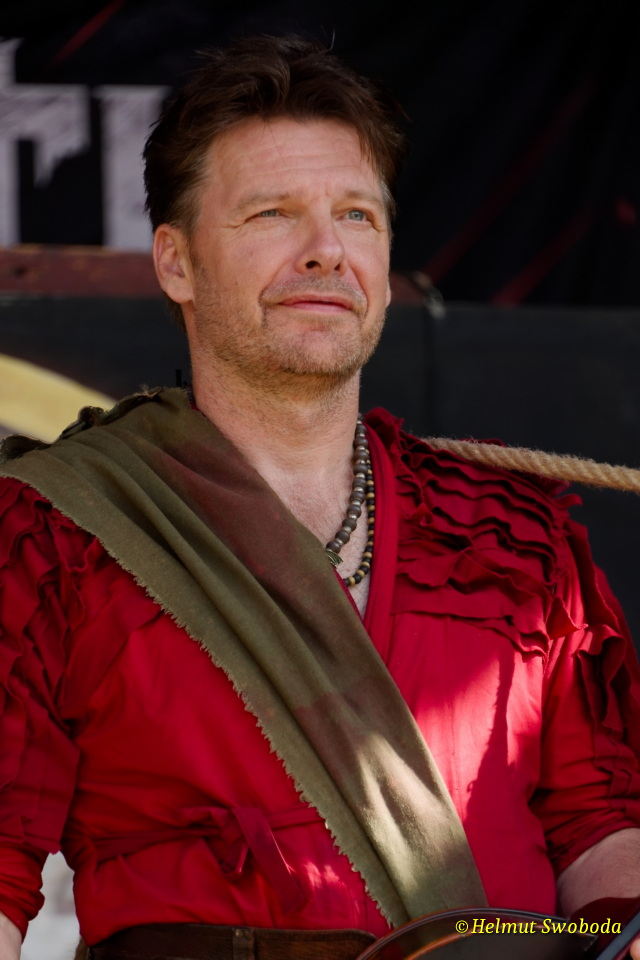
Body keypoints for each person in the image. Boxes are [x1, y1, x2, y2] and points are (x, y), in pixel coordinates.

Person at [1, 34, 639, 960]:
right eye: (272, 214)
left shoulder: (510, 532)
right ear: (176, 262)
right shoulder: (59, 534)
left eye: (357, 216)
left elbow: (598, 828)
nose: (325, 251)